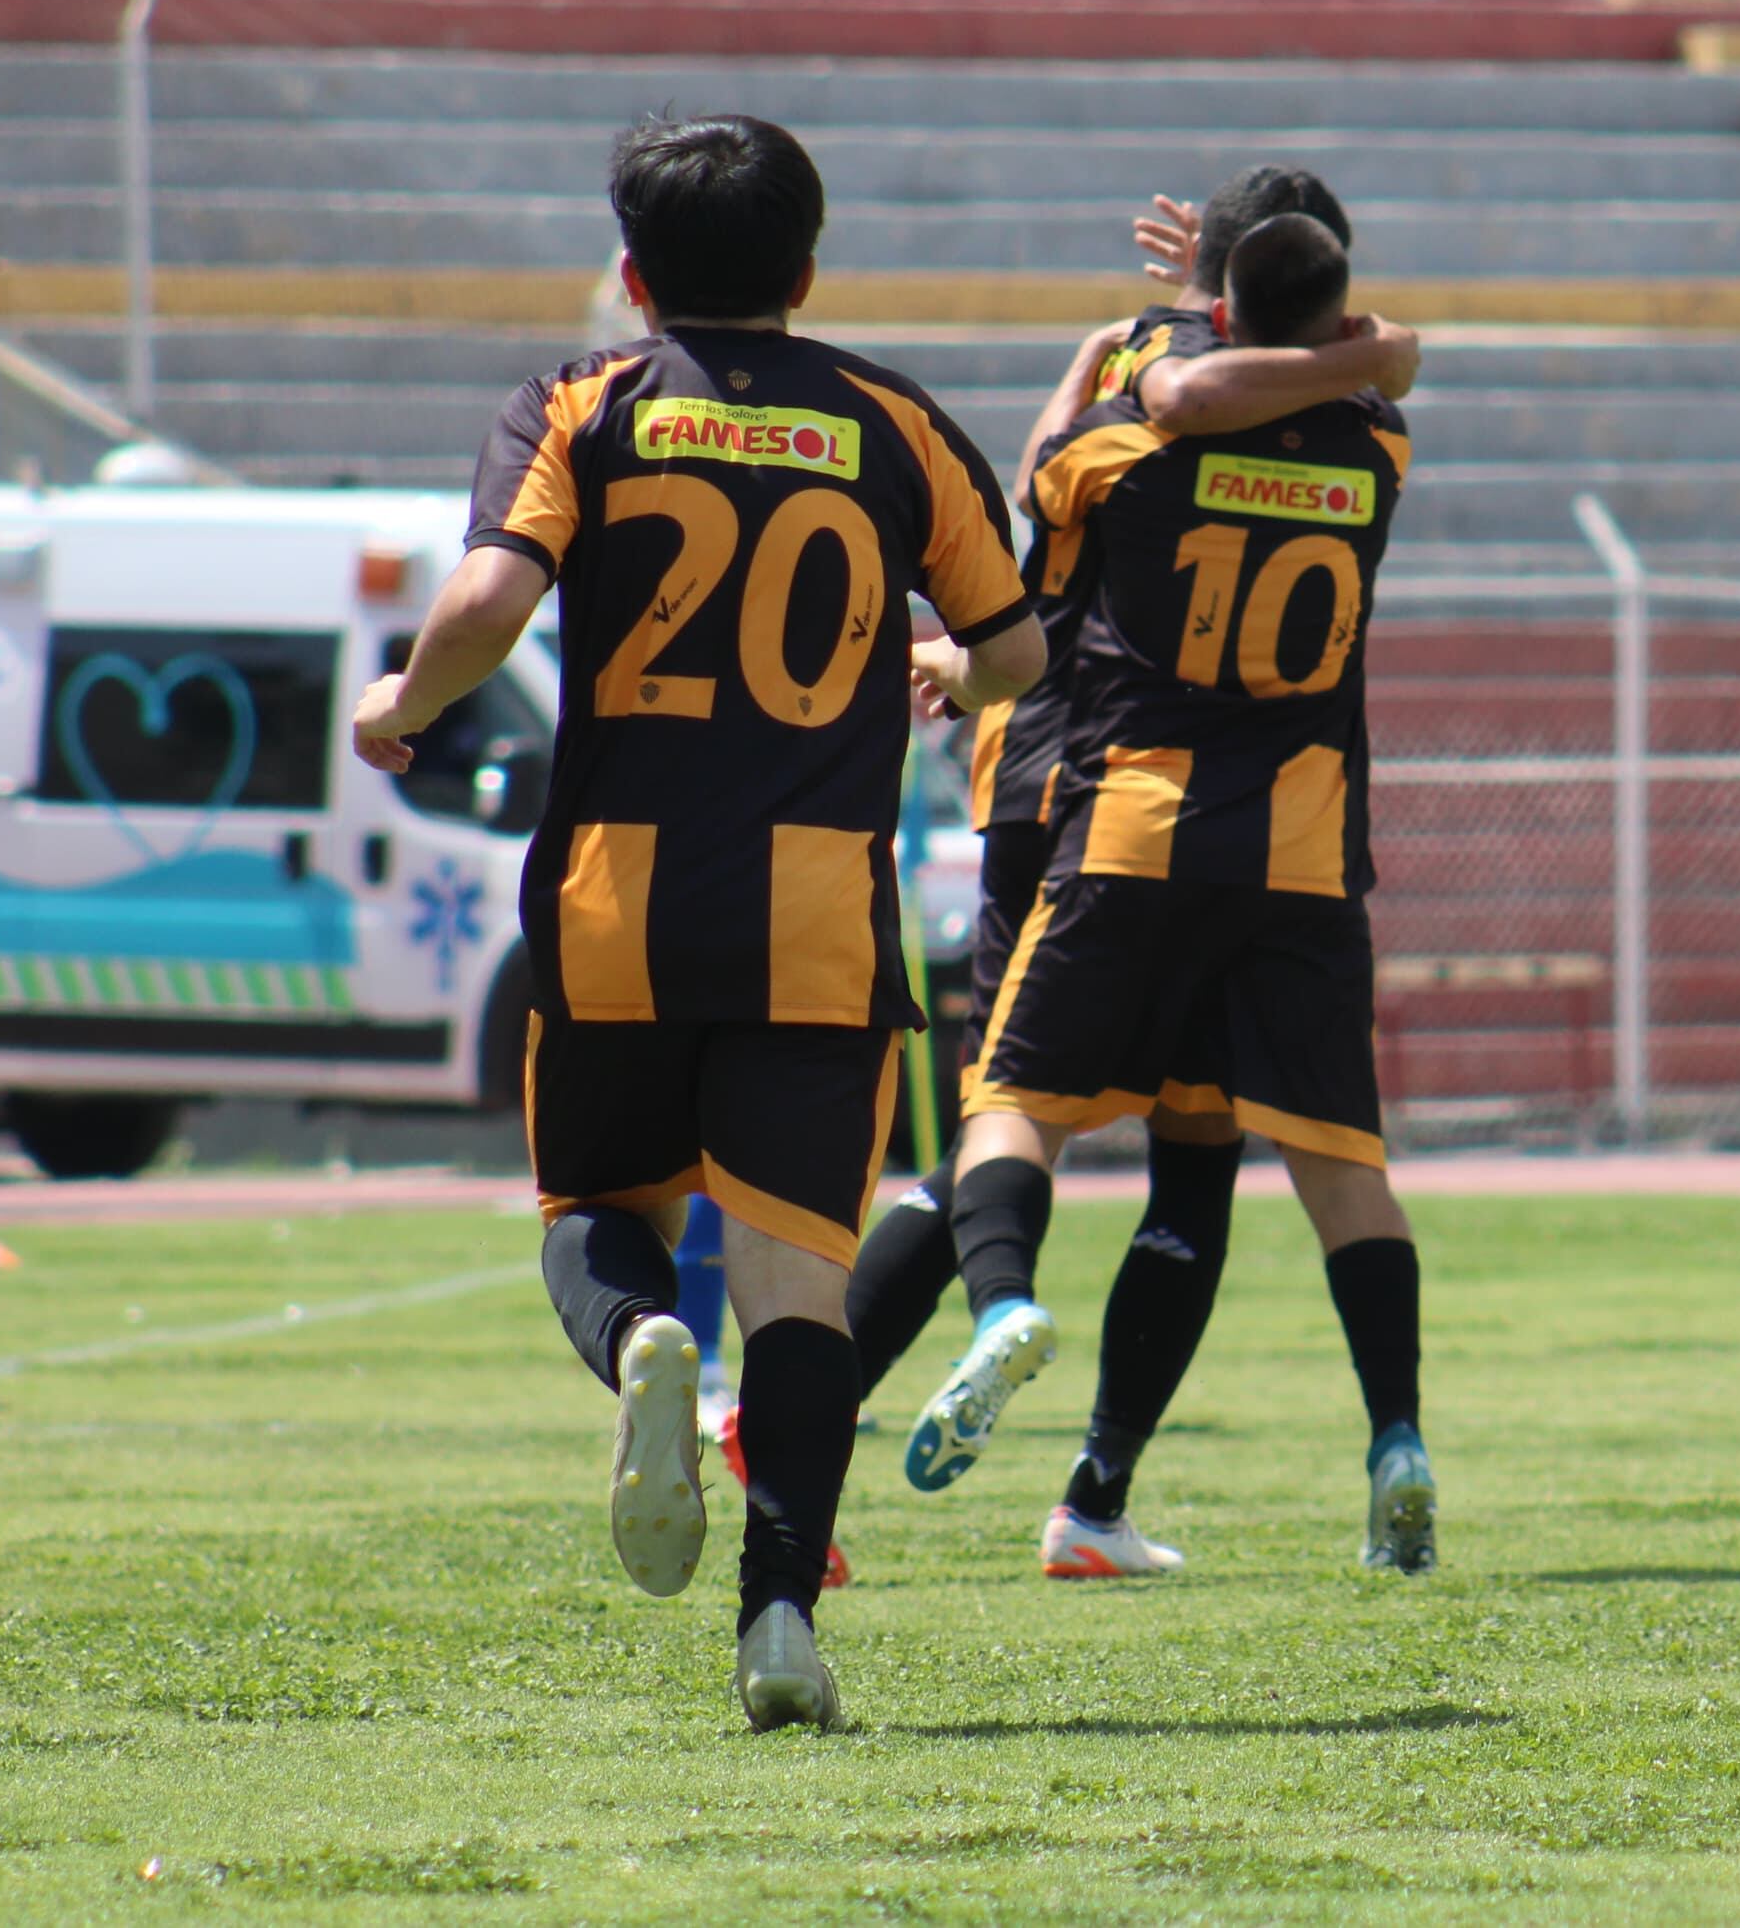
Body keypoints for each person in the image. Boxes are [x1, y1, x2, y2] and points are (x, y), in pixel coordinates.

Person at [353, 112, 1041, 1736]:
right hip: (817, 903)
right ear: (809, 268)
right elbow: (1015, 649)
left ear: (636, 273)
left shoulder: (581, 405)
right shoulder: (894, 421)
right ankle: (781, 1616)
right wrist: (944, 670)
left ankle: (653, 1339)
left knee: (594, 1203)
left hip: (619, 891)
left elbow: (492, 600)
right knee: (804, 1282)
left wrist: (405, 698)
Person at [842, 165, 1422, 1585]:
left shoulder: (1130, 413)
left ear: (1215, 298)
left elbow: (1042, 505)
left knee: (1006, 1114)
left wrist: (1142, 336)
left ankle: (1016, 1406)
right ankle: (1372, 1435)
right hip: (1281, 838)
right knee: (1249, 1162)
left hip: (1114, 803)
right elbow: (1367, 364)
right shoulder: (1382, 441)